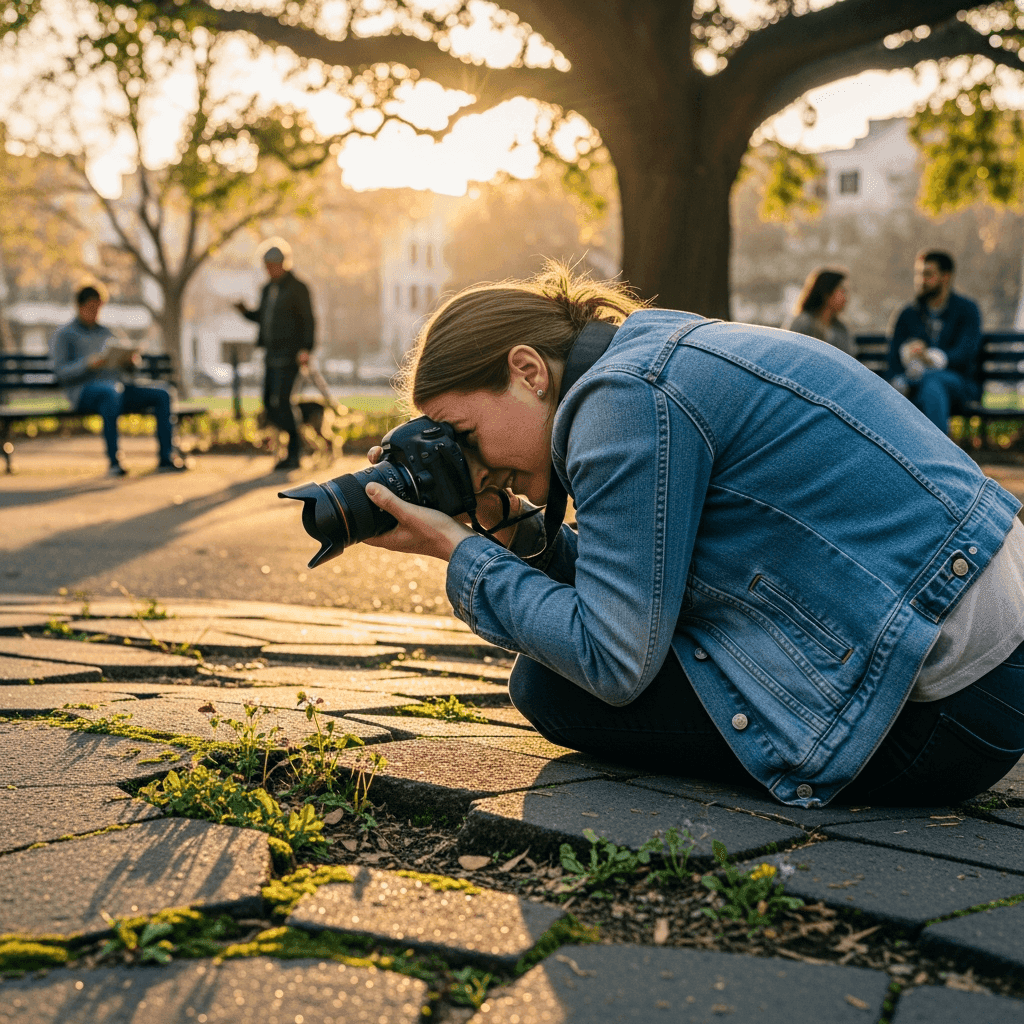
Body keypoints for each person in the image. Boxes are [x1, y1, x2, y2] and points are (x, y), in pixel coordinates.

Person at [358, 264, 1024, 809]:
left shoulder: (619, 400)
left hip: (945, 710)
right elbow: (640, 577)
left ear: (528, 371)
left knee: (549, 688)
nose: (474, 469)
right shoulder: (647, 358)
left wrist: (464, 554)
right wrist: (519, 539)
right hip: (983, 660)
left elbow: (611, 658)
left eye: (466, 437)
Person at [50, 285, 185, 476]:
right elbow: (61, 372)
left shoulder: (108, 332)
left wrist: (130, 361)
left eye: (99, 308)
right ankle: (114, 461)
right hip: (84, 392)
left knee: (163, 393)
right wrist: (87, 364)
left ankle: (166, 457)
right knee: (109, 392)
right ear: (79, 307)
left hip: (118, 388)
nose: (96, 312)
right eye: (91, 308)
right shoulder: (65, 335)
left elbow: (131, 368)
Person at [234, 239, 315, 471]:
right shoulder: (267, 289)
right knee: (269, 404)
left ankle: (294, 451)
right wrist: (244, 312)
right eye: (266, 266)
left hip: (290, 355)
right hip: (270, 354)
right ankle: (289, 447)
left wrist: (306, 349)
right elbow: (261, 317)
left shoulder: (298, 287)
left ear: (283, 264)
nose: (268, 270)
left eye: (271, 265)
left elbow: (308, 320)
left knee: (283, 401)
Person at [888, 250, 982, 434]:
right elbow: (893, 356)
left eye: (928, 274)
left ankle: (939, 457)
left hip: (958, 383)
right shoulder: (907, 314)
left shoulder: (967, 310)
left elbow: (965, 352)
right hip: (913, 380)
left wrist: (930, 358)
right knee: (898, 387)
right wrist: (907, 356)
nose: (920, 280)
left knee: (931, 382)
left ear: (945, 277)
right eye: (919, 274)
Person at [784, 267, 855, 357]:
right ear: (826, 292)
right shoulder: (802, 324)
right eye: (842, 291)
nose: (846, 298)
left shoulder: (841, 329)